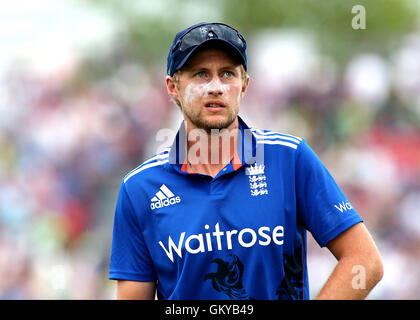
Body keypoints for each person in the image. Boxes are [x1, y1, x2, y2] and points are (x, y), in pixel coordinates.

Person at [109, 22, 383, 300]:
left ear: (244, 85)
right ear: (173, 87)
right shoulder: (139, 189)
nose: (215, 87)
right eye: (200, 74)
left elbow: (364, 262)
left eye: (227, 74)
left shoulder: (289, 158)